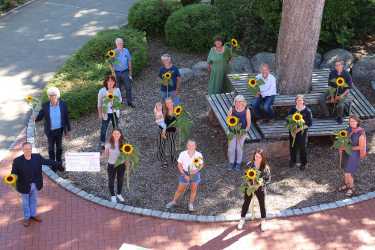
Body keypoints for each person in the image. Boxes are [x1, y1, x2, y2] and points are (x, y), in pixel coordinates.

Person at [11, 142, 63, 227]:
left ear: (31, 149)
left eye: (29, 149)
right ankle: (27, 217)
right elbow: (13, 173)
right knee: (25, 203)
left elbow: (48, 161)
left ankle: (33, 214)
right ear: (23, 150)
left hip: (35, 184)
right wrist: (11, 178)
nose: (28, 151)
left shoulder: (37, 157)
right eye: (26, 149)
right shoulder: (17, 161)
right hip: (23, 186)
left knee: (33, 200)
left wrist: (59, 164)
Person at [237, 149, 271, 231]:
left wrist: (259, 184)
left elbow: (268, 179)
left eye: (259, 157)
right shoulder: (249, 165)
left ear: (262, 158)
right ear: (254, 156)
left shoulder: (265, 167)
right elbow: (246, 176)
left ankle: (263, 220)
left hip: (260, 188)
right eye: (256, 156)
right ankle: (242, 219)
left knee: (262, 203)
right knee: (246, 202)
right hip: (249, 187)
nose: (257, 158)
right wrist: (249, 184)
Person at [166, 140, 204, 212]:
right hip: (184, 173)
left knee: (193, 190)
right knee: (180, 189)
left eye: (192, 145)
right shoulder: (183, 154)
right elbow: (179, 165)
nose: (191, 147)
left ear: (195, 146)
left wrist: (195, 171)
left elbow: (201, 165)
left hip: (195, 174)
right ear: (187, 146)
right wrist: (184, 175)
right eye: (189, 145)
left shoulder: (198, 155)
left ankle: (190, 204)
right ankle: (174, 201)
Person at [35, 87, 71, 162]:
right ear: (48, 96)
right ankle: (52, 163)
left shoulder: (63, 104)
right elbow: (40, 116)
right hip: (50, 131)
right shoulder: (45, 105)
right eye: (50, 95)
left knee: (59, 148)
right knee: (51, 148)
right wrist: (35, 118)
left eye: (54, 95)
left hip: (59, 130)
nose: (52, 96)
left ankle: (58, 162)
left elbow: (66, 118)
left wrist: (67, 131)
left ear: (57, 95)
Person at [338, 115, 367, 197]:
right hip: (345, 153)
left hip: (353, 154)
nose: (352, 123)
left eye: (354, 121)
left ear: (357, 122)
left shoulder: (361, 132)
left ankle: (351, 188)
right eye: (350, 121)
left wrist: (348, 147)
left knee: (349, 172)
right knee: (345, 171)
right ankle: (347, 185)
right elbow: (343, 139)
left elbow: (360, 147)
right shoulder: (348, 129)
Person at [319, 59, 353, 124]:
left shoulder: (347, 74)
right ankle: (327, 114)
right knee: (321, 99)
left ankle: (339, 117)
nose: (336, 67)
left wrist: (341, 96)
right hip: (332, 90)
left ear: (342, 65)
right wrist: (332, 97)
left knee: (340, 105)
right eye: (335, 65)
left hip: (343, 92)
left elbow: (349, 88)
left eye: (338, 65)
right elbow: (330, 85)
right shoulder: (332, 73)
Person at [287, 95, 313, 170]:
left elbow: (309, 124)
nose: (299, 102)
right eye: (298, 100)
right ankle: (293, 160)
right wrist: (292, 129)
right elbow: (288, 120)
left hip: (302, 132)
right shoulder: (292, 110)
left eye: (301, 100)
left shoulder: (307, 111)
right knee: (292, 146)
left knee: (302, 147)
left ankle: (304, 163)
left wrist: (299, 129)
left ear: (303, 101)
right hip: (293, 131)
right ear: (295, 101)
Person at [227, 95, 251, 171]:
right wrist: (232, 129)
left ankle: (238, 163)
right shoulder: (232, 109)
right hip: (232, 131)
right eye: (236, 101)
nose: (238, 103)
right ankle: (231, 163)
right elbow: (228, 120)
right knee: (231, 148)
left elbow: (248, 124)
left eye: (240, 101)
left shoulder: (247, 110)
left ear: (243, 102)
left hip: (242, 132)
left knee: (239, 148)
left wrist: (244, 132)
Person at [98, 75, 122, 149]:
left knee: (116, 128)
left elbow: (120, 100)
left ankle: (117, 142)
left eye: (112, 81)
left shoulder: (117, 90)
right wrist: (100, 114)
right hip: (106, 113)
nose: (111, 83)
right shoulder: (102, 91)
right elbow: (99, 103)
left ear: (114, 82)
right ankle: (102, 142)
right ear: (106, 82)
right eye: (109, 81)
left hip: (114, 112)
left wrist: (116, 104)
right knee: (104, 128)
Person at [104, 129, 126, 203]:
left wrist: (127, 163)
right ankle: (113, 196)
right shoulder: (108, 144)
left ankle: (119, 194)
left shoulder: (124, 144)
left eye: (118, 134)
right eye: (114, 134)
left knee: (120, 180)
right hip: (111, 165)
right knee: (111, 180)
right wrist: (95, 157)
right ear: (112, 135)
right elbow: (105, 155)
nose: (116, 135)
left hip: (121, 165)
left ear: (120, 135)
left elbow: (127, 155)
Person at [112, 37, 134, 108]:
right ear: (116, 44)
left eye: (121, 43)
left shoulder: (126, 50)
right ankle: (119, 103)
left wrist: (130, 72)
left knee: (128, 87)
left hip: (125, 72)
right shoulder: (113, 52)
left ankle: (129, 102)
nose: (120, 44)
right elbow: (110, 63)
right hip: (117, 72)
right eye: (118, 43)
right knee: (118, 89)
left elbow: (129, 61)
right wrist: (113, 73)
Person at [156, 98, 177, 168]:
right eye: (167, 103)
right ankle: (163, 160)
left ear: (173, 103)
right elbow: (159, 121)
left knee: (172, 146)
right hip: (162, 131)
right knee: (161, 146)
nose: (169, 104)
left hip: (171, 132)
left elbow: (179, 122)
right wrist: (163, 131)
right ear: (165, 104)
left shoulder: (177, 110)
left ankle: (173, 159)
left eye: (170, 102)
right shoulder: (162, 111)